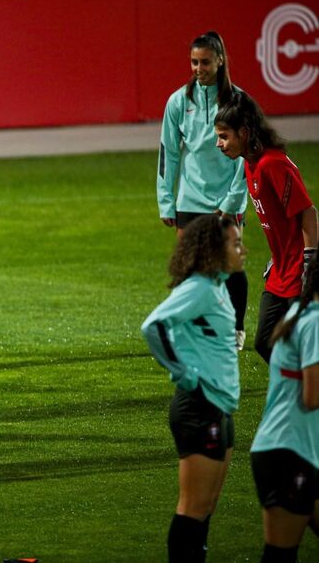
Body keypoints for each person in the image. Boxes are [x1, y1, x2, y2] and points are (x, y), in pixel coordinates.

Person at [141, 214, 247, 562]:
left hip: (221, 407)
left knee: (207, 506)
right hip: (199, 407)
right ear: (214, 248)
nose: (242, 250)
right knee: (193, 507)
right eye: (235, 244)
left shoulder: (216, 285)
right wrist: (184, 374)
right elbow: (153, 326)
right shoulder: (199, 288)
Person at [156, 31, 249, 352]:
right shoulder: (179, 101)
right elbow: (168, 153)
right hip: (190, 199)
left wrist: (232, 201)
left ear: (220, 60)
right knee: (189, 267)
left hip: (226, 200)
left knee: (230, 265)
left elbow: (247, 157)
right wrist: (166, 200)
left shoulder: (238, 101)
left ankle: (236, 328)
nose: (199, 68)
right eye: (194, 62)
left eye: (206, 61)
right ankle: (191, 328)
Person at [215, 91, 318, 362]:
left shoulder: (272, 164)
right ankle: (300, 391)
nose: (219, 144)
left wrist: (309, 262)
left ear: (245, 132)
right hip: (280, 272)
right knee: (264, 342)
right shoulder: (250, 165)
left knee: (308, 348)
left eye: (224, 136)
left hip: (300, 272)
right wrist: (277, 257)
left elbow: (308, 213)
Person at [250, 258, 319, 562]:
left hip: (283, 447)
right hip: (289, 452)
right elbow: (312, 396)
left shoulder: (295, 314)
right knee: (279, 555)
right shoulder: (315, 323)